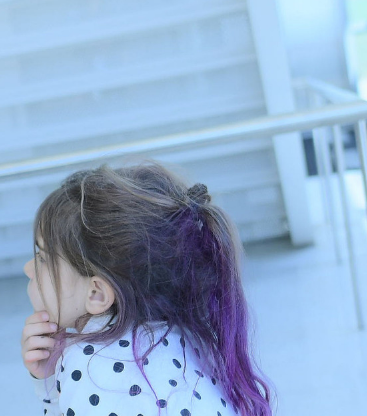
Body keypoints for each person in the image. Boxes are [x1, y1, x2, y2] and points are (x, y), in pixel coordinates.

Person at [18, 164, 274, 416]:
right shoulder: (189, 338)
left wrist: (51, 383)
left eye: (42, 257)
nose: (28, 268)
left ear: (97, 294)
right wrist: (49, 378)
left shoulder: (90, 364)